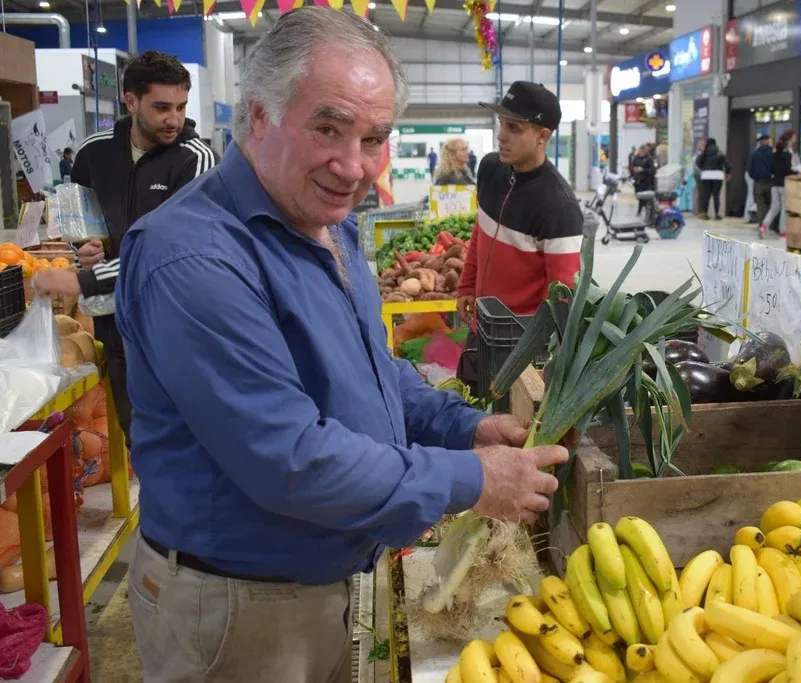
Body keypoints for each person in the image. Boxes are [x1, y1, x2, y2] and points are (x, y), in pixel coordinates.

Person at [113, 10, 568, 681]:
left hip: (320, 583)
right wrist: (473, 480)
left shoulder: (328, 226)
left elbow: (372, 370)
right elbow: (290, 458)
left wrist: (463, 426)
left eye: (374, 139)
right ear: (259, 114)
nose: (353, 166)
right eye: (328, 128)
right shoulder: (193, 257)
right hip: (237, 610)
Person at [33, 50, 215, 447]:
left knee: (189, 447)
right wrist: (83, 251)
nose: (174, 119)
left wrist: (84, 280)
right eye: (162, 107)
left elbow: (170, 251)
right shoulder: (93, 154)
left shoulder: (196, 160)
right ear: (131, 102)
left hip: (177, 327)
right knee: (141, 442)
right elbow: (78, 224)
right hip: (115, 327)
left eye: (181, 107)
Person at [455, 81, 583, 393]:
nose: (502, 136)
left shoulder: (558, 207)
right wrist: (467, 285)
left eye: (514, 128)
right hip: (480, 328)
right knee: (466, 408)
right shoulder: (490, 169)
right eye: (501, 123)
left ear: (543, 136)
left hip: (520, 347)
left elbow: (563, 295)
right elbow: (481, 231)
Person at [760, 130, 798, 239]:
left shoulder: (774, 154)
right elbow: (787, 170)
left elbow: (772, 169)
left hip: (775, 184)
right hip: (784, 185)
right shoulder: (788, 155)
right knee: (784, 209)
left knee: (774, 208)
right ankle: (783, 231)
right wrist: (797, 173)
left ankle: (764, 226)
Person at [695, 138, 730, 221]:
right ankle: (717, 214)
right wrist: (727, 172)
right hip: (718, 175)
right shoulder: (719, 152)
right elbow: (727, 164)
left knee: (706, 195)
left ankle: (705, 214)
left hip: (706, 175)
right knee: (716, 195)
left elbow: (698, 163)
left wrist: (704, 168)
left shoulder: (704, 153)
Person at [748, 135, 774, 226]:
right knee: (770, 203)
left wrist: (755, 177)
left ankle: (761, 223)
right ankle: (768, 224)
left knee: (760, 204)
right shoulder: (772, 153)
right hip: (770, 181)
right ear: (767, 142)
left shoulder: (754, 153)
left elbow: (750, 169)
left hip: (758, 182)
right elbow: (775, 167)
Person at [631, 143, 656, 216]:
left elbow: (652, 170)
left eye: (643, 152)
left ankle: (641, 210)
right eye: (640, 151)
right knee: (638, 195)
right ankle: (643, 209)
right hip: (637, 179)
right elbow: (633, 165)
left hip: (645, 180)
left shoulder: (649, 159)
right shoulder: (636, 157)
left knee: (643, 196)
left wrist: (643, 170)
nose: (641, 153)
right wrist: (634, 169)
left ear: (645, 151)